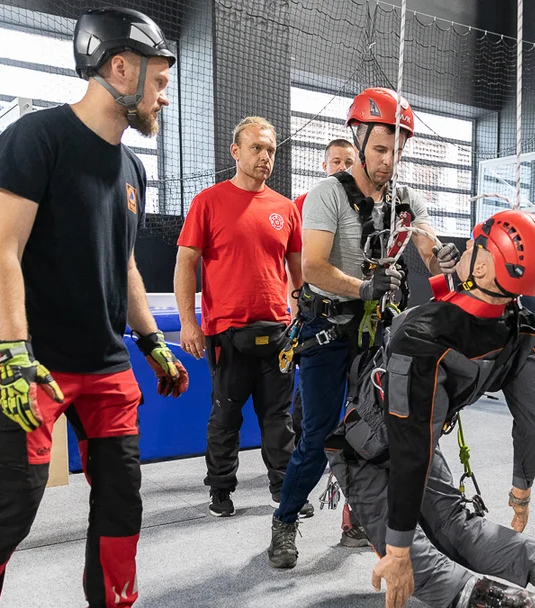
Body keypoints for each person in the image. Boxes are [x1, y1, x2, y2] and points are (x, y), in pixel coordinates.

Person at [0, 7, 188, 608]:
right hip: (28, 362)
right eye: (159, 78)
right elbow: (0, 251)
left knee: (123, 498)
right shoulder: (35, 139)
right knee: (14, 499)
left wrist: (154, 343)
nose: (164, 92)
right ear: (121, 68)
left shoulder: (132, 166)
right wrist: (10, 354)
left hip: (104, 363)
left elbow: (124, 266)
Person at [325, 210, 535, 608]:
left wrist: (399, 547)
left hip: (373, 448)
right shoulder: (516, 327)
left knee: (415, 562)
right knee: (462, 529)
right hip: (426, 444)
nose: (461, 252)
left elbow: (410, 451)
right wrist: (520, 490)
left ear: (486, 268)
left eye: (471, 248)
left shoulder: (420, 332)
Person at [268, 88, 460, 568]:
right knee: (317, 434)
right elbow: (311, 267)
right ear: (358, 140)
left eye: (397, 151)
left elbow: (430, 251)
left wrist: (453, 260)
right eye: (379, 149)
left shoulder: (404, 198)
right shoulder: (327, 196)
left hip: (378, 333)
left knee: (380, 430)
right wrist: (363, 288)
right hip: (327, 330)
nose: (388, 160)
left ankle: (364, 518)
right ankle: (286, 520)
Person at [175, 117, 308, 518]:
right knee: (225, 418)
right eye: (256, 148)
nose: (265, 157)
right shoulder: (208, 202)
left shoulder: (285, 208)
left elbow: (296, 271)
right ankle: (220, 491)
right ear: (235, 152)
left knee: (278, 419)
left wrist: (299, 318)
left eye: (270, 150)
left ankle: (284, 490)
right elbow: (185, 264)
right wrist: (188, 321)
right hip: (226, 334)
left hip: (278, 333)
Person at [290, 138, 368, 547]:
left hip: (364, 329)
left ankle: (355, 517)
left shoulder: (377, 206)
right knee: (315, 430)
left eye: (347, 161)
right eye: (335, 161)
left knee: (366, 430)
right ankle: (286, 518)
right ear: (324, 164)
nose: (341, 166)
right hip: (320, 324)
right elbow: (303, 265)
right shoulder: (315, 199)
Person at [294, 138, 358, 216]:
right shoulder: (304, 201)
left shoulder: (364, 201)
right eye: (336, 162)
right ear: (325, 166)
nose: (343, 167)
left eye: (348, 163)